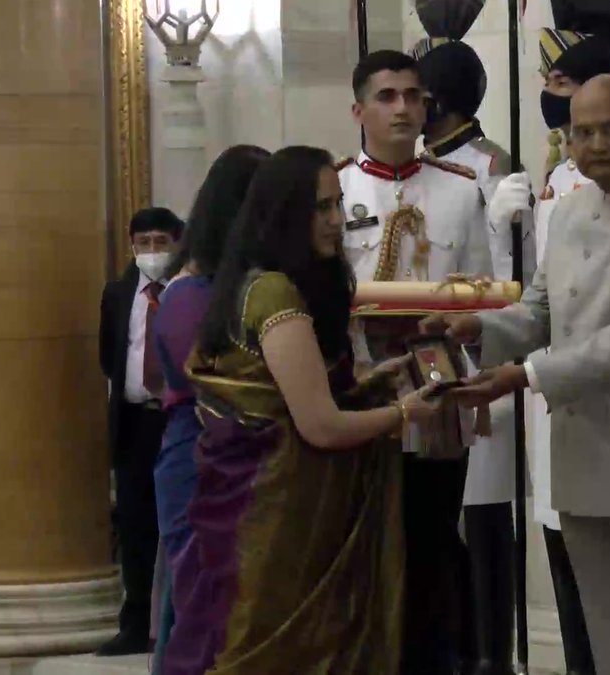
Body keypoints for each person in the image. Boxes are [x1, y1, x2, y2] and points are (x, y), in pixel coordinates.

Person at [427, 75, 610, 675]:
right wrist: (477, 329)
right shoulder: (566, 212)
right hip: (584, 458)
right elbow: (540, 309)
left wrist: (524, 375)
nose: (595, 144)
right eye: (582, 133)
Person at [161, 146, 443, 675]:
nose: (338, 220)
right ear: (286, 213)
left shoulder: (253, 282)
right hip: (274, 521)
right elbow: (320, 426)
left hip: (268, 512)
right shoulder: (273, 291)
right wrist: (406, 413)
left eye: (338, 204)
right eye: (322, 208)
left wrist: (368, 386)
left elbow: (296, 397)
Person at [484, 13, 610, 674]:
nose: (553, 100)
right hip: (552, 393)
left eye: (560, 84)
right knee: (560, 536)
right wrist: (503, 232)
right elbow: (533, 295)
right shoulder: (552, 184)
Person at [339, 49, 494, 675]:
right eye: (386, 96)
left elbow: (483, 291)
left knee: (432, 536)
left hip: (435, 378)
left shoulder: (459, 189)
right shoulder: (336, 188)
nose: (402, 108)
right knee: (364, 539)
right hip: (359, 380)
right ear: (359, 110)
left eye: (413, 95)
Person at [412, 35, 536, 675]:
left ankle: (491, 652)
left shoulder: (491, 167)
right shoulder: (417, 167)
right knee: (438, 518)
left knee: (485, 515)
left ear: (439, 101)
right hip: (422, 351)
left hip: (480, 349)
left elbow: (515, 274)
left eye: (418, 96)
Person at [148, 144, 269, 672]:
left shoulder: (236, 284)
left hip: (231, 452)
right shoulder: (189, 292)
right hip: (200, 455)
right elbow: (209, 387)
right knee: (202, 606)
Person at [97, 206, 183, 656]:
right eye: (143, 242)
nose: (151, 251)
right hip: (133, 422)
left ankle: (177, 623)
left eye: (160, 242)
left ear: (177, 244)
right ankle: (135, 624)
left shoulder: (189, 291)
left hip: (178, 420)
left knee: (178, 522)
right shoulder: (117, 293)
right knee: (134, 524)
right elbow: (109, 355)